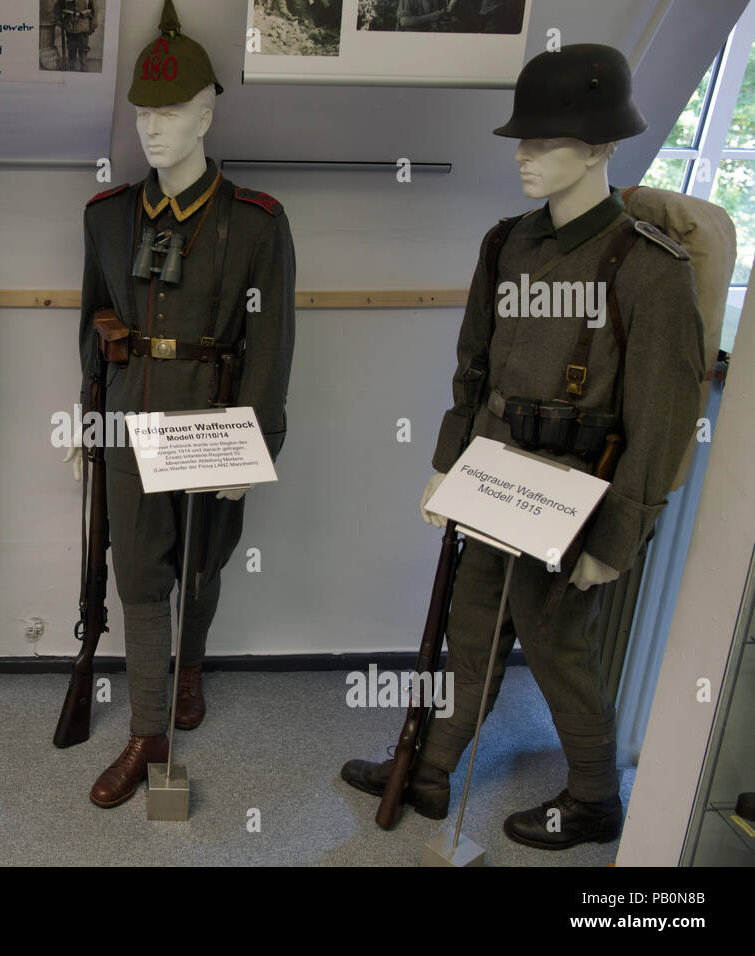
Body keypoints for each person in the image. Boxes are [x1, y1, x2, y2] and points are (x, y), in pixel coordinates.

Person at [341, 44, 706, 850]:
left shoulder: (650, 271)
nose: (525, 156)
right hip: (493, 479)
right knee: (469, 631)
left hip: (576, 495)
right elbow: (472, 367)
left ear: (603, 147)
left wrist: (619, 535)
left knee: (555, 648)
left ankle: (594, 798)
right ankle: (432, 768)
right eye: (523, 140)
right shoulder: (506, 245)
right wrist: (447, 461)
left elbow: (664, 417)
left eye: (546, 141)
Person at [73, 0, 295, 808]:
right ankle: (146, 732)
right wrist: (88, 424)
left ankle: (190, 663)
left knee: (201, 569)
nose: (152, 130)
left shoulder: (257, 226)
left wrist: (259, 445)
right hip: (131, 415)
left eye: (169, 112)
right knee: (137, 575)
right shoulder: (106, 218)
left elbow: (272, 346)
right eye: (142, 114)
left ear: (206, 114)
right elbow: (93, 330)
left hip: (215, 417)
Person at [56, 0, 98, 72]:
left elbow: (94, 10)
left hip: (83, 25)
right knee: (71, 49)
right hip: (70, 25)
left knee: (83, 49)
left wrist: (93, 25)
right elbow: (58, 7)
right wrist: (59, 21)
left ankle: (84, 68)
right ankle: (71, 68)